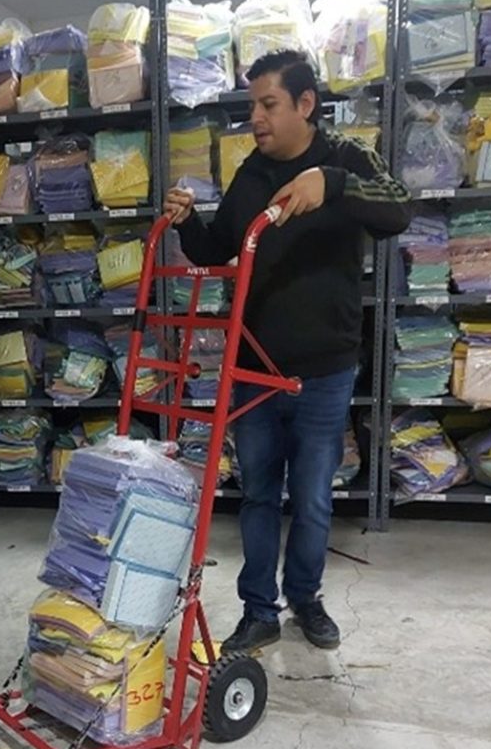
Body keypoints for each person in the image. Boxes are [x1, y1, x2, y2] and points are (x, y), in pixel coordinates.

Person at [165, 49, 410, 654]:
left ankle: (305, 597)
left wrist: (333, 184)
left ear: (305, 104)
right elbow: (218, 250)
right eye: (252, 105)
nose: (256, 117)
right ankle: (258, 609)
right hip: (252, 366)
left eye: (268, 104)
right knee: (255, 494)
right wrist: (186, 223)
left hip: (324, 369)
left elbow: (399, 209)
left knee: (311, 496)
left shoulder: (346, 158)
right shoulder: (251, 172)